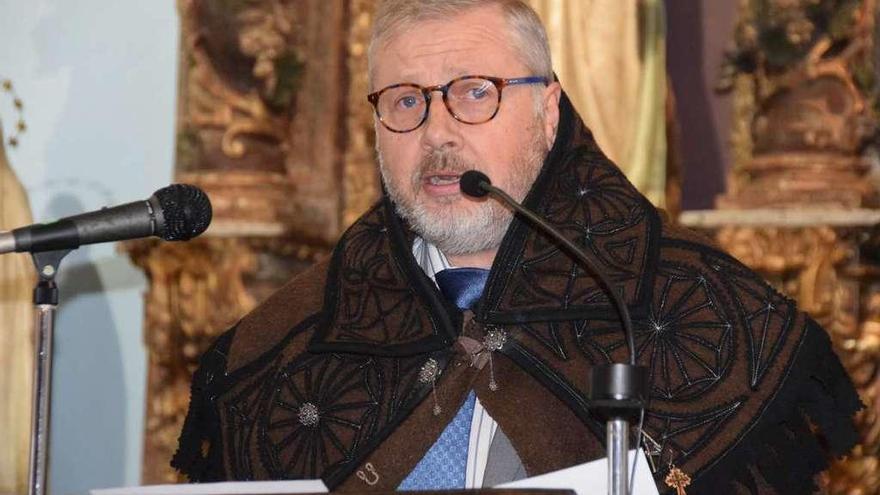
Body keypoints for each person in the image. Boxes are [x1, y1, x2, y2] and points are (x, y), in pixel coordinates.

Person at [173, 1, 862, 493]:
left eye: (476, 93)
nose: (438, 132)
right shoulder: (277, 347)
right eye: (407, 101)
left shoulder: (689, 307)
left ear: (549, 108)